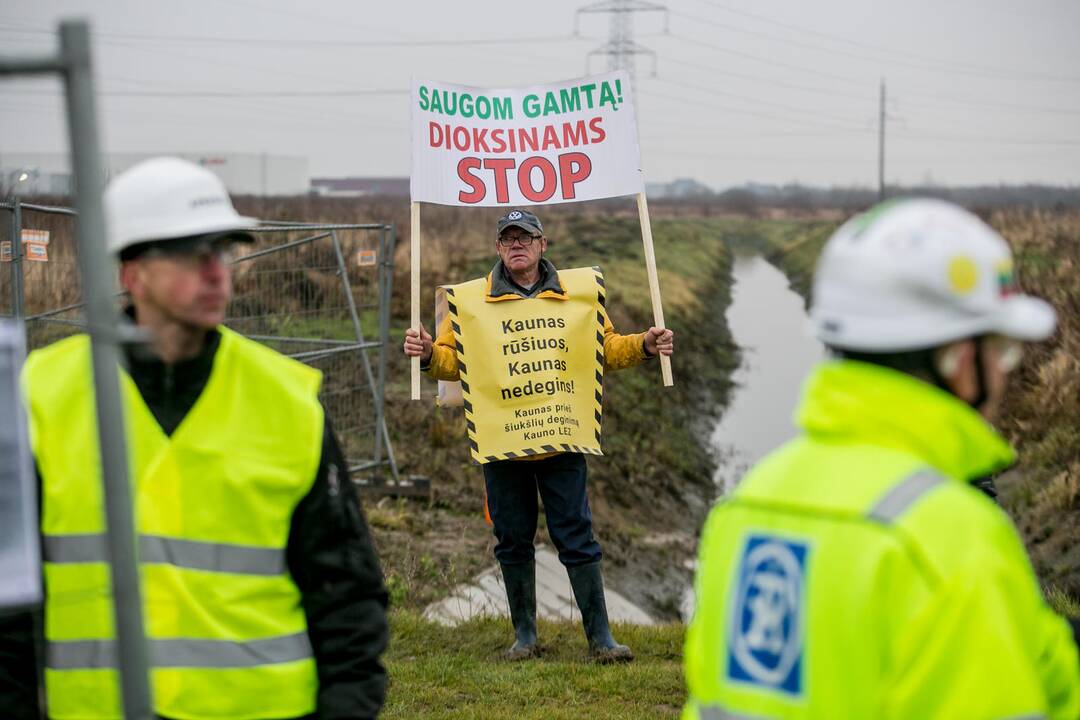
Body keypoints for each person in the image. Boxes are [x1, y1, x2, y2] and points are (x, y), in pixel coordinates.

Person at [0, 157, 389, 720]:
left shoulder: (286, 400)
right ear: (131, 272)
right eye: (191, 253)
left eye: (224, 252)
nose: (217, 272)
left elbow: (348, 595)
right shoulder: (41, 394)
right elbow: (10, 603)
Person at [682, 199, 1080, 719]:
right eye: (1000, 351)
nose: (1006, 374)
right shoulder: (952, 537)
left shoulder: (748, 502)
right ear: (960, 363)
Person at [403, 208, 674, 662]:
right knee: (512, 539)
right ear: (498, 248)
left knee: (577, 535)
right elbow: (454, 364)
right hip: (503, 443)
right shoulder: (470, 302)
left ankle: (601, 639)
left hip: (561, 439)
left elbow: (603, 350)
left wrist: (644, 345)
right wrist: (429, 354)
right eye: (508, 238)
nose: (516, 245)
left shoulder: (576, 296)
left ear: (542, 244)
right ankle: (525, 637)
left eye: (524, 237)